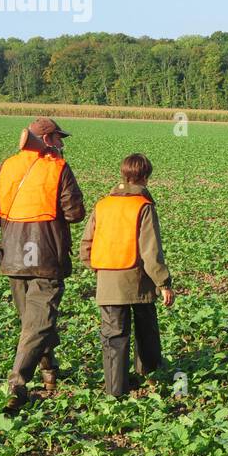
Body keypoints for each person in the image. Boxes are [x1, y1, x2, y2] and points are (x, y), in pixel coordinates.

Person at [0, 117, 86, 413]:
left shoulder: (5, 167)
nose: (62, 144)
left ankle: (49, 371)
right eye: (59, 139)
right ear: (47, 140)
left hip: (14, 256)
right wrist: (59, 169)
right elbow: (75, 213)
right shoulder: (58, 168)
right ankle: (17, 385)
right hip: (45, 255)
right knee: (39, 322)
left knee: (34, 320)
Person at [79, 153, 175, 398]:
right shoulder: (142, 206)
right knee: (146, 327)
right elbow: (150, 250)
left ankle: (115, 391)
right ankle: (150, 375)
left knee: (114, 336)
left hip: (108, 280)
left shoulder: (103, 204)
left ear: (124, 175)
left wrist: (100, 268)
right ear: (145, 177)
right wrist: (163, 283)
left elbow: (86, 245)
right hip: (138, 279)